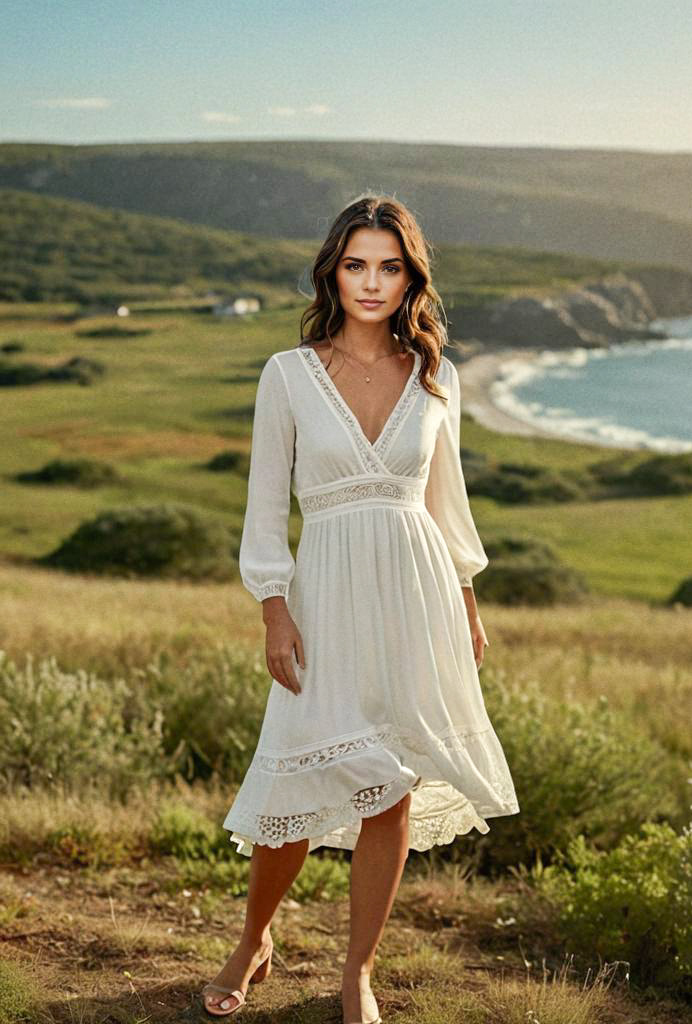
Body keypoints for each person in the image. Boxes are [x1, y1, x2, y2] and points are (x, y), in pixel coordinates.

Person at [202, 194, 520, 1021]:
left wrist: (469, 603)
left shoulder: (437, 375)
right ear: (332, 273)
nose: (371, 283)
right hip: (326, 594)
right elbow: (265, 507)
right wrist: (273, 606)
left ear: (410, 274)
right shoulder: (289, 374)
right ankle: (253, 941)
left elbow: (447, 507)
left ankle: (358, 973)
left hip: (419, 596)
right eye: (355, 265)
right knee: (296, 777)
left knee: (391, 786)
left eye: (389, 266)